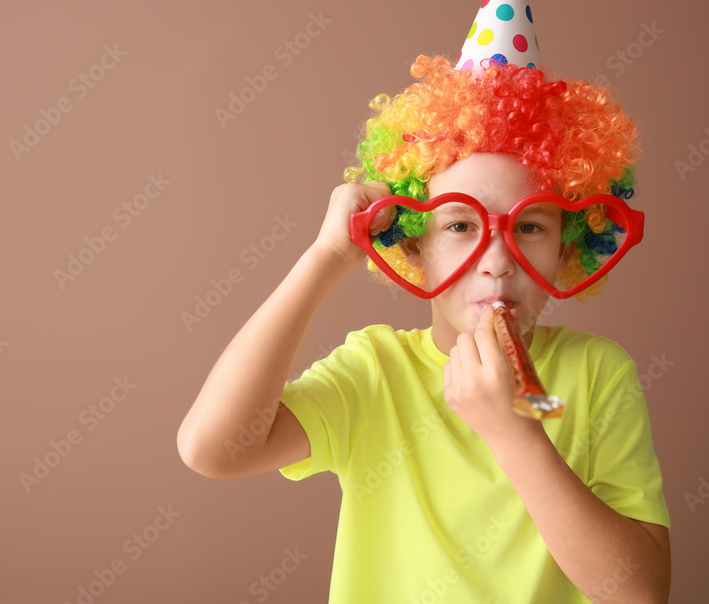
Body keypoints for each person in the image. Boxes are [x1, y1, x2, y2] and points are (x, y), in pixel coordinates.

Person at [178, 54, 671, 603]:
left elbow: (638, 594)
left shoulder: (596, 375)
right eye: (461, 225)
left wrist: (516, 433)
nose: (497, 259)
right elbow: (213, 449)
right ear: (415, 244)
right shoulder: (375, 374)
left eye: (530, 226)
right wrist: (328, 254)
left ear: (568, 246)